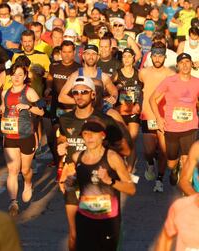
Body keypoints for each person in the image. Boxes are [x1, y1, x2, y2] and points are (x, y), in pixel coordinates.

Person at [57, 76, 131, 251]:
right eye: (75, 92)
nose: (79, 95)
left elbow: (126, 150)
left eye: (84, 91)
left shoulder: (104, 120)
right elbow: (62, 141)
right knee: (75, 234)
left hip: (101, 184)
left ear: (92, 95)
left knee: (104, 237)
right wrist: (61, 167)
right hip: (74, 182)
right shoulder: (65, 119)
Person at [68, 118, 136, 251]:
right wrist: (70, 183)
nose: (89, 137)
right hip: (84, 217)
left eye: (93, 133)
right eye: (86, 134)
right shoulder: (77, 157)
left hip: (108, 220)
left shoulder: (112, 158)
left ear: (102, 135)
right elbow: (75, 184)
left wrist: (110, 181)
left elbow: (131, 189)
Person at [0, 62, 44, 216]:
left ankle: (28, 183)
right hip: (9, 135)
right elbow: (4, 108)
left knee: (25, 169)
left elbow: (41, 111)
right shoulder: (5, 93)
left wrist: (28, 107)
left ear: (25, 76)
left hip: (26, 135)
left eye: (20, 75)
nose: (16, 78)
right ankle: (13, 202)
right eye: (14, 75)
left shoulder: (30, 92)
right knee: (12, 170)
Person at [150, 53, 199, 187]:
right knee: (171, 162)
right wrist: (159, 119)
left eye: (187, 62)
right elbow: (152, 99)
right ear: (177, 66)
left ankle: (185, 188)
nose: (185, 65)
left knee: (186, 158)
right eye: (181, 62)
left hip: (190, 126)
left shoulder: (197, 82)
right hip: (171, 127)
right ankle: (173, 170)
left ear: (191, 64)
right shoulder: (169, 81)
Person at [139, 42, 176, 192]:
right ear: (151, 56)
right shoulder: (143, 72)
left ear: (165, 57)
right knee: (148, 151)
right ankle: (149, 164)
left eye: (160, 56)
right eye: (155, 55)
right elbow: (141, 89)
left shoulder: (171, 74)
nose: (157, 58)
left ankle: (159, 180)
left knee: (162, 151)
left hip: (164, 116)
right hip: (148, 114)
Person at [113, 48, 143, 172]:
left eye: (129, 56)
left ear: (133, 58)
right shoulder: (117, 73)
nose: (126, 59)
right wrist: (116, 87)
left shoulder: (139, 73)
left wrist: (139, 104)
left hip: (133, 111)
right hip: (120, 110)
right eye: (124, 56)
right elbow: (109, 89)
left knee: (131, 139)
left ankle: (129, 172)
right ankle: (120, 164)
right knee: (122, 140)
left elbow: (144, 91)